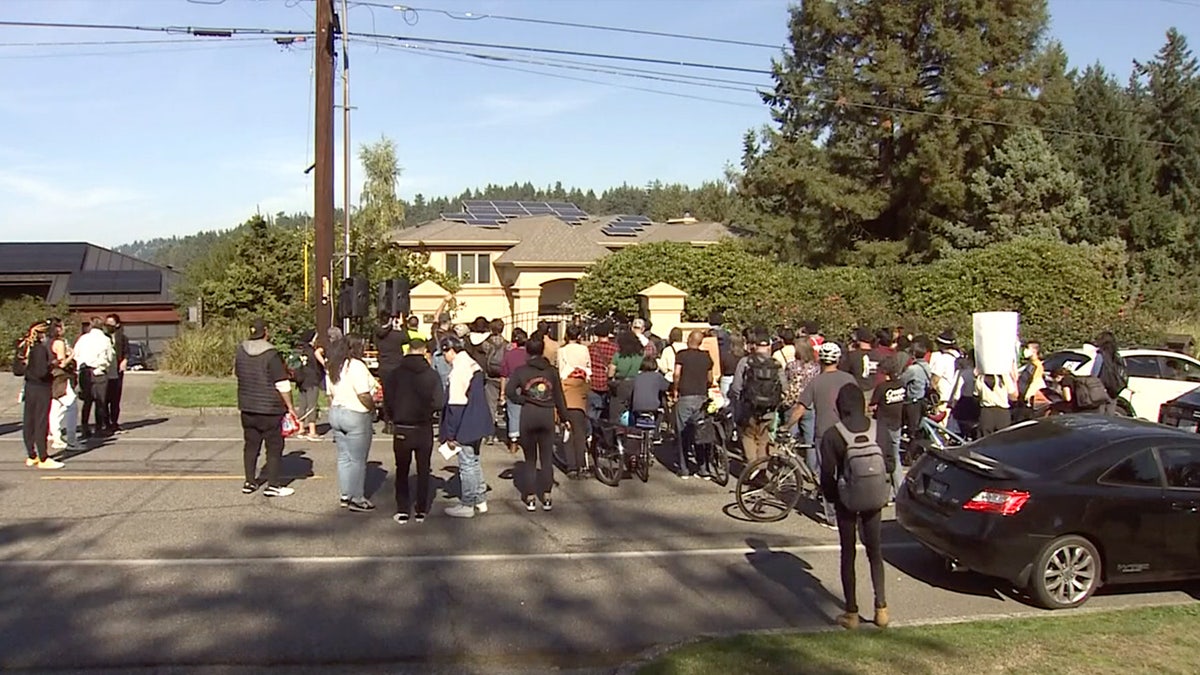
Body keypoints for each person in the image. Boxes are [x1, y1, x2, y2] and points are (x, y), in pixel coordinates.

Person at [821, 383, 892, 630]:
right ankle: (881, 608)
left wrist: (833, 498)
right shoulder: (878, 429)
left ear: (840, 406)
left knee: (848, 553)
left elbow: (827, 474)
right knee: (875, 551)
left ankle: (851, 612)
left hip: (847, 500)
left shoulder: (833, 434)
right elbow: (891, 464)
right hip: (874, 497)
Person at [786, 342, 857, 524]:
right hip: (848, 432)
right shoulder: (849, 379)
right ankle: (851, 507)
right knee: (847, 471)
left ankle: (832, 516)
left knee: (828, 474)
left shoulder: (816, 382)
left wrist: (786, 426)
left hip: (824, 433)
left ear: (820, 360)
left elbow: (800, 408)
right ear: (838, 359)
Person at [506, 337, 570, 512]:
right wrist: (565, 418)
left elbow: (509, 391)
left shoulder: (521, 371)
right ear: (542, 350)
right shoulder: (551, 371)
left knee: (530, 459)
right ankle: (547, 496)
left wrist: (522, 399)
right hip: (547, 415)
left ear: (527, 351)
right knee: (546, 458)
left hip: (529, 414)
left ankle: (531, 496)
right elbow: (559, 396)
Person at [234, 318, 297, 497]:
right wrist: (290, 406)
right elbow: (282, 384)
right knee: (274, 447)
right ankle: (273, 485)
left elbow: (238, 373)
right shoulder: (271, 354)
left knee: (251, 446)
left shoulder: (241, 351)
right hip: (270, 408)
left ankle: (249, 482)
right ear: (266, 332)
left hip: (247, 406)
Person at [385, 338, 445, 524]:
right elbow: (439, 402)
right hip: (423, 426)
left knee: (401, 469)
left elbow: (388, 400)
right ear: (424, 351)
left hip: (402, 426)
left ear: (408, 350)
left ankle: (403, 509)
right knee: (423, 468)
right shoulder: (431, 375)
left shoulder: (395, 374)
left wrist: (393, 416)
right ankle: (421, 509)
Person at [441, 336, 493, 518]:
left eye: (444, 353)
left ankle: (468, 503)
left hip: (465, 421)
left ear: (450, 350)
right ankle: (480, 499)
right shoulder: (472, 364)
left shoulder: (459, 370)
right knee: (475, 461)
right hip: (479, 417)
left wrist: (450, 434)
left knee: (467, 465)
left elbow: (456, 403)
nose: (444, 358)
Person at [326, 336, 378, 512]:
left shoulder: (333, 365)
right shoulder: (356, 366)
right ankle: (357, 497)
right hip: (355, 413)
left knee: (343, 457)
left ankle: (345, 494)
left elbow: (330, 394)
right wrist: (372, 409)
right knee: (358, 460)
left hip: (336, 411)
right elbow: (363, 394)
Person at [730, 333, 785, 465]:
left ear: (754, 346)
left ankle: (752, 465)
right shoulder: (776, 364)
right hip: (769, 408)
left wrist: (741, 401)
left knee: (748, 436)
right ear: (769, 346)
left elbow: (736, 387)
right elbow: (784, 387)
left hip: (749, 407)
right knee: (764, 438)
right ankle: (762, 467)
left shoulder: (746, 362)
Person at [20, 321, 63, 469]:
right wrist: (53, 364)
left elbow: (17, 369)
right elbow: (41, 372)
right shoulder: (40, 349)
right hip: (41, 387)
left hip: (29, 386)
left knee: (29, 421)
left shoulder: (24, 346)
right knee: (41, 422)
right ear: (43, 334)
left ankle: (31, 455)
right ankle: (43, 457)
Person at [673, 330, 714, 479]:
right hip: (701, 397)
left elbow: (677, 374)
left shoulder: (682, 355)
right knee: (700, 432)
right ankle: (703, 468)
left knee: (682, 432)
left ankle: (684, 469)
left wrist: (675, 389)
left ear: (689, 339)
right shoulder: (706, 357)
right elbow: (710, 377)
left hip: (685, 396)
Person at [869, 354, 906, 498]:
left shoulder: (882, 387)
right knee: (895, 456)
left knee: (884, 458)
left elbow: (872, 405)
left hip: (883, 426)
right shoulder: (901, 384)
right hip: (897, 424)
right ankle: (899, 490)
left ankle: (889, 493)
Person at [73, 317, 114, 438]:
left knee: (87, 401)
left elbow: (76, 354)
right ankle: (98, 428)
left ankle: (85, 427)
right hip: (99, 371)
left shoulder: (83, 338)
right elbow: (110, 357)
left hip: (84, 371)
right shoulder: (106, 340)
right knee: (100, 401)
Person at [47, 319, 81, 452]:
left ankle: (56, 437)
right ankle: (71, 440)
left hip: (52, 377)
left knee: (55, 407)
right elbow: (61, 363)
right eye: (62, 326)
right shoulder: (59, 342)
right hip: (61, 377)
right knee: (72, 406)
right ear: (58, 328)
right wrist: (71, 355)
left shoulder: (46, 342)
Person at [899, 341, 934, 461]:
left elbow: (902, 381)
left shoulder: (913, 369)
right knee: (919, 429)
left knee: (912, 430)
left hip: (912, 402)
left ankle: (909, 455)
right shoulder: (927, 367)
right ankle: (917, 452)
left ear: (913, 353)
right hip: (922, 401)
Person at [782, 336, 820, 444]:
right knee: (810, 440)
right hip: (809, 403)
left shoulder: (791, 366)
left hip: (793, 403)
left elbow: (786, 382)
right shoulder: (816, 367)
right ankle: (810, 461)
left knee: (791, 437)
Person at [375, 312, 407, 435]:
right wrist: (401, 325)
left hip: (384, 367)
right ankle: (396, 420)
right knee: (397, 395)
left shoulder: (377, 334)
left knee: (387, 395)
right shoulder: (396, 335)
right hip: (397, 367)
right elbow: (406, 338)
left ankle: (388, 421)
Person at [499, 328, 530, 453]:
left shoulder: (509, 354)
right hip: (528, 384)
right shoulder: (529, 355)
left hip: (513, 384)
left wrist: (502, 393)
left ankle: (513, 441)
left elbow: (503, 375)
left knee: (513, 414)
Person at [561, 355, 590, 479]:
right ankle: (581, 466)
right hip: (579, 411)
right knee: (579, 438)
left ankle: (571, 467)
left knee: (568, 438)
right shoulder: (584, 384)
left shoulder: (563, 384)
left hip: (565, 409)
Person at [293, 329, 325, 441]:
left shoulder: (299, 350)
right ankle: (312, 431)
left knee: (302, 404)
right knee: (312, 405)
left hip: (301, 381)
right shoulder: (312, 351)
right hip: (312, 381)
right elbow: (318, 367)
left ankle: (301, 428)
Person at [607, 330, 644, 425]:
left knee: (616, 412)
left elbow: (611, 372)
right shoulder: (641, 354)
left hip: (621, 384)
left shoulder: (618, 355)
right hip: (637, 383)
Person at [587, 320, 618, 424]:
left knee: (591, 412)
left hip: (593, 382)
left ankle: (592, 434)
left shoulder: (590, 348)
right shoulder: (615, 348)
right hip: (607, 383)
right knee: (606, 412)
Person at [929, 330, 963, 422]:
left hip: (943, 402)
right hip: (957, 400)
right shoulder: (960, 357)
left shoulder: (942, 359)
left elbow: (934, 381)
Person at [103, 314, 129, 433]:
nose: (108, 326)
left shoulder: (122, 337)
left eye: (111, 323)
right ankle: (105, 422)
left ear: (117, 324)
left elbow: (126, 352)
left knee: (115, 398)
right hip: (106, 371)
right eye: (107, 323)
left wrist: (124, 361)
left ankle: (114, 422)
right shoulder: (103, 337)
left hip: (117, 370)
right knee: (104, 398)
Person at [1091, 331, 1126, 416]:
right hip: (1114, 389)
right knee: (1110, 415)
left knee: (1099, 414)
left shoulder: (1100, 355)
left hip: (1102, 388)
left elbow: (1094, 374)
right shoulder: (1117, 356)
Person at [841, 327, 875, 394]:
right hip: (873, 391)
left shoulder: (852, 355)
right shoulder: (878, 355)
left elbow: (842, 371)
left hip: (856, 391)